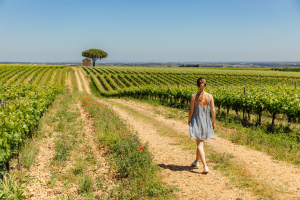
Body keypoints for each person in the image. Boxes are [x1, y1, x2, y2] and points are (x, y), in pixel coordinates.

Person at [188, 77, 216, 173]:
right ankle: (196, 161)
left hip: (197, 122)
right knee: (200, 143)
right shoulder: (210, 96)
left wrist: (189, 120)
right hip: (206, 122)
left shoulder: (193, 96)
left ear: (197, 85)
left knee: (200, 144)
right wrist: (214, 122)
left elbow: (191, 111)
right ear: (205, 85)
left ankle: (205, 166)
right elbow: (213, 111)